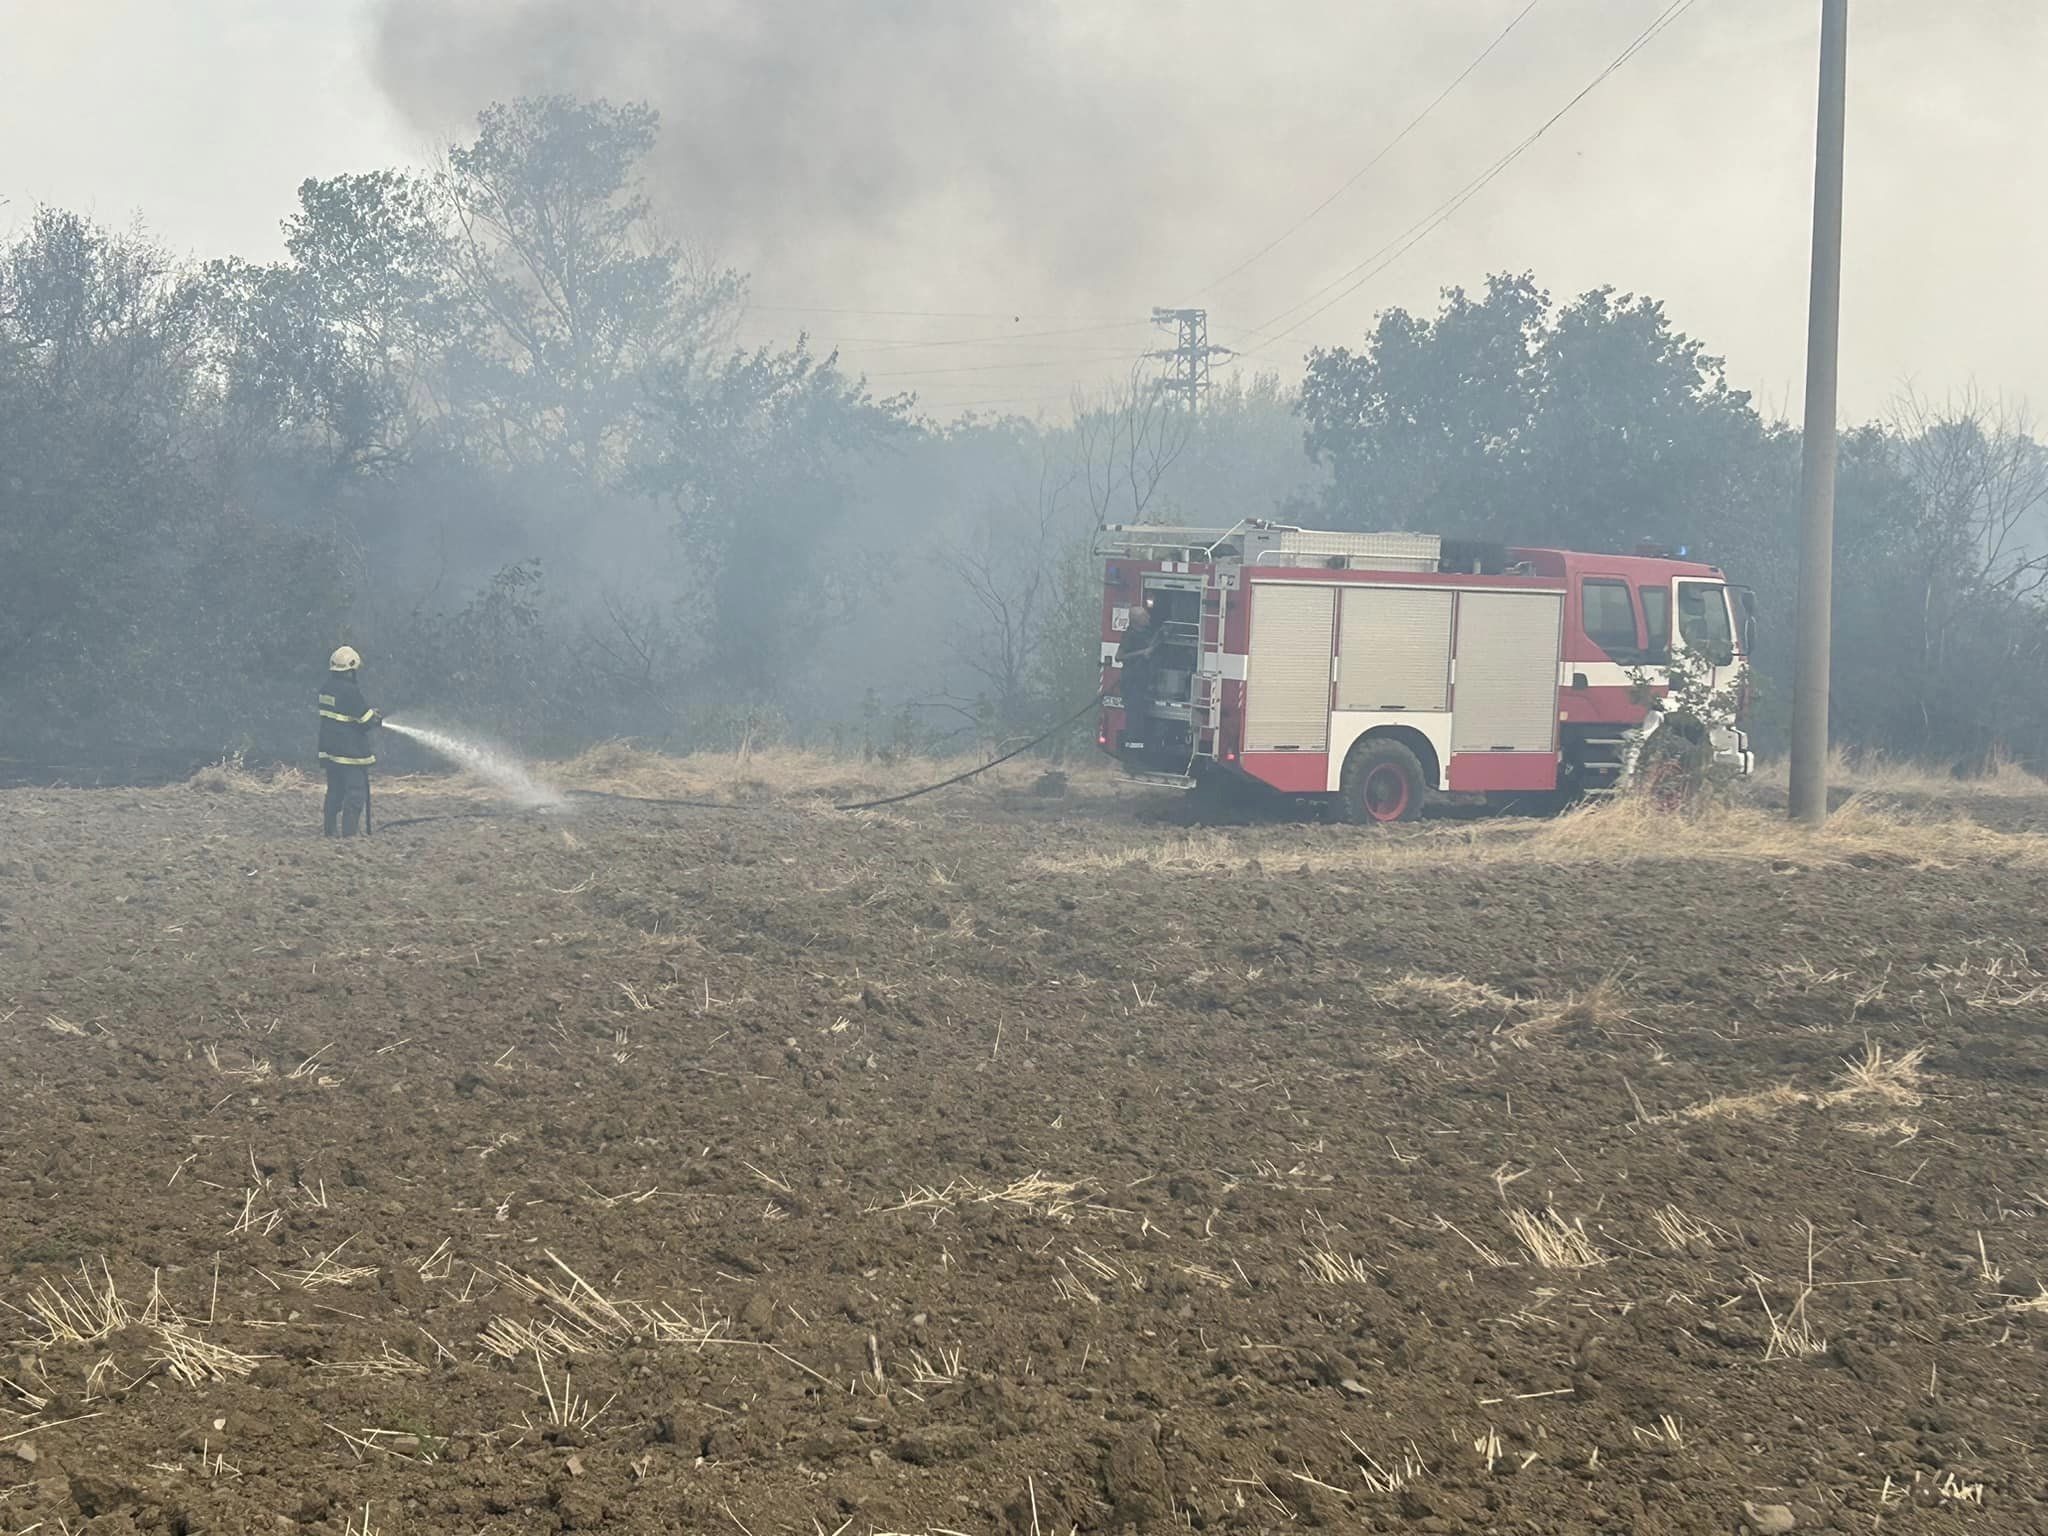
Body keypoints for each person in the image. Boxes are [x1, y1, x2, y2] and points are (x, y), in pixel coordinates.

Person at [318, 646, 382, 837]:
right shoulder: (350, 691)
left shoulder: (326, 689)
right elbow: (364, 719)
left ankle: (329, 832)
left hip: (331, 751)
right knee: (355, 793)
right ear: (350, 669)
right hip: (350, 753)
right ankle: (349, 836)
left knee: (335, 791)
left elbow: (342, 714)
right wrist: (375, 717)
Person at [1116, 602, 1161, 748]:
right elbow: (1119, 656)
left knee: (1139, 714)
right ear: (1136, 620)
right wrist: (1143, 653)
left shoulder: (1145, 633)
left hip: (1141, 682)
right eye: (1144, 616)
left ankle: (1139, 746)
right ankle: (1132, 748)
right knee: (1134, 715)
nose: (1148, 617)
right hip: (1131, 682)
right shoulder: (1129, 635)